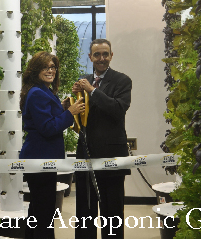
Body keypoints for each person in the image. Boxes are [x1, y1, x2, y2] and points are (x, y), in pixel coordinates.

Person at [20, 51, 85, 239]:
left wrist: (62, 107)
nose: (50, 70)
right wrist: (70, 113)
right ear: (35, 70)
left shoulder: (42, 90)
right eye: (45, 67)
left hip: (42, 159)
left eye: (53, 67)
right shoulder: (38, 93)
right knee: (44, 211)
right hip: (40, 158)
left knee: (40, 209)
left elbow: (47, 116)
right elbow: (47, 128)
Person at [72, 39, 132, 239]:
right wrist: (69, 104)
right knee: (84, 213)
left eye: (105, 54)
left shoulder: (122, 81)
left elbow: (117, 109)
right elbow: (80, 118)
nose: (101, 58)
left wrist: (92, 91)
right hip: (85, 156)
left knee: (112, 213)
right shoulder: (83, 80)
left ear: (111, 55)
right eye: (97, 54)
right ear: (90, 57)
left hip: (112, 157)